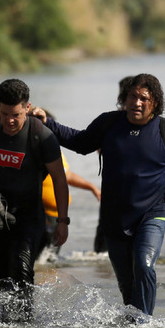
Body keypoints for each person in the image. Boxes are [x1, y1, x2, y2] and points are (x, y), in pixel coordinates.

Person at [33, 73, 165, 318]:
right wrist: (47, 122)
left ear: (155, 103)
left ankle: (145, 324)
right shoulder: (109, 124)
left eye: (144, 98)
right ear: (125, 98)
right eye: (133, 96)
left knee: (143, 265)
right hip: (114, 218)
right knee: (127, 286)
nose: (137, 103)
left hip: (152, 214)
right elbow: (79, 142)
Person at [0, 80, 69, 319]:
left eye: (16, 115)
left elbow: (60, 179)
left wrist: (62, 220)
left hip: (27, 215)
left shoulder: (41, 134)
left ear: (27, 108)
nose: (9, 120)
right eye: (5, 113)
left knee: (21, 271)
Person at [38, 109, 101, 259]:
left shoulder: (54, 152)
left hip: (56, 218)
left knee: (48, 262)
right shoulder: (33, 150)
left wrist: (92, 187)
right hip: (41, 215)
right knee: (38, 260)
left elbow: (67, 175)